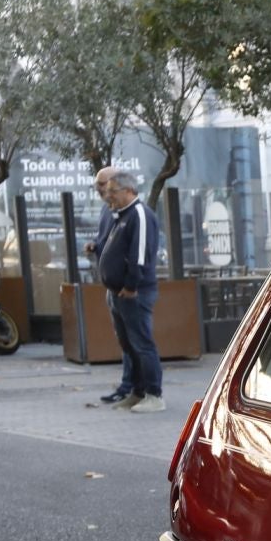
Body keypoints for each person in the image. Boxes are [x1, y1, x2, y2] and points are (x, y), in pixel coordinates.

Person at [93, 168, 165, 412]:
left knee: (142, 343)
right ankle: (137, 391)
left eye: (113, 191)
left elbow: (140, 254)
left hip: (134, 293)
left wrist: (131, 286)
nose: (108, 195)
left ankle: (154, 395)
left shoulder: (139, 214)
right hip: (118, 293)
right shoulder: (120, 215)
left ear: (129, 190)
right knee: (129, 344)